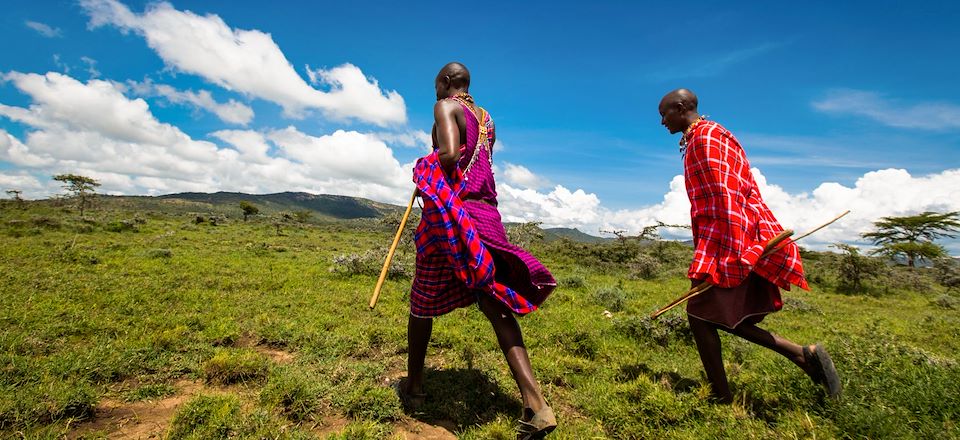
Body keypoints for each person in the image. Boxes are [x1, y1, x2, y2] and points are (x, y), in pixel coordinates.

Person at [401, 62, 557, 438]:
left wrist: (424, 167)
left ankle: (415, 387)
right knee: (494, 303)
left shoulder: (445, 107)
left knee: (422, 299)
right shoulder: (487, 119)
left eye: (436, 83)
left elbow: (451, 156)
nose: (434, 90)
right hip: (486, 214)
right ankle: (536, 404)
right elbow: (481, 165)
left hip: (455, 216)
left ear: (448, 82)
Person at [658, 88, 841, 403]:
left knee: (702, 315)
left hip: (729, 240)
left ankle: (735, 389)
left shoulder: (705, 139)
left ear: (681, 106)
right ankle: (798, 358)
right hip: (737, 236)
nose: (662, 122)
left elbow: (724, 198)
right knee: (713, 314)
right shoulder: (712, 135)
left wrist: (728, 255)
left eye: (665, 114)